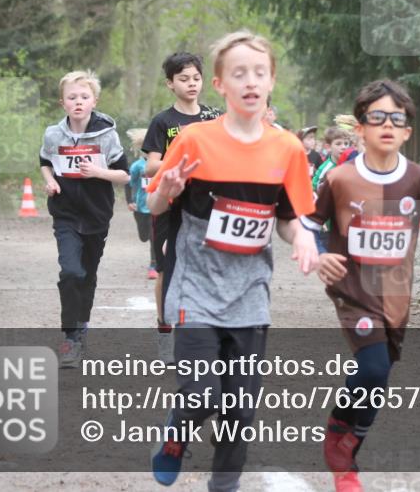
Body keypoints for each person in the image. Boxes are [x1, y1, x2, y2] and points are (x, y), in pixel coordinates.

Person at [147, 30, 319, 492]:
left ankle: (224, 486)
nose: (250, 81)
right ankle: (177, 435)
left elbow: (289, 217)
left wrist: (302, 237)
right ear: (220, 84)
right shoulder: (194, 140)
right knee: (201, 393)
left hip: (250, 295)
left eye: (259, 72)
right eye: (238, 73)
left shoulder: (287, 149)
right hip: (197, 289)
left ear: (271, 81)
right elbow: (157, 206)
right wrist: (170, 188)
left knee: (240, 410)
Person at [301, 79, 420, 492]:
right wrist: (320, 255)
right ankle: (342, 452)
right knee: (371, 367)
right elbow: (309, 223)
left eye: (397, 119)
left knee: (380, 375)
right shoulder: (339, 179)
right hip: (352, 290)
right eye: (377, 118)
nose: (387, 125)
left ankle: (350, 439)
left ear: (407, 131)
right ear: (360, 128)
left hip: (395, 295)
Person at [39, 70, 130, 368]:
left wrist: (98, 172)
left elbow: (124, 174)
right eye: (72, 97)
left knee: (87, 276)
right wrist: (49, 181)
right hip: (65, 213)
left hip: (96, 215)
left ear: (94, 101)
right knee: (70, 272)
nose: (78, 102)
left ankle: (81, 327)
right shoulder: (53, 134)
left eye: (84, 97)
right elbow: (45, 162)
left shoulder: (107, 135)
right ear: (62, 103)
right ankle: (70, 338)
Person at [143, 52, 222, 360]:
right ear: (170, 84)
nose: (191, 84)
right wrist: (180, 163)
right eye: (184, 79)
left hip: (206, 205)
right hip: (169, 202)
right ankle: (164, 330)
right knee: (166, 269)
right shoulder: (163, 122)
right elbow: (150, 167)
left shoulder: (213, 117)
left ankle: (206, 332)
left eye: (196, 78)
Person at [124, 128, 156, 279]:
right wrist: (129, 201)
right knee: (144, 236)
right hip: (140, 207)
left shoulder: (161, 164)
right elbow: (127, 183)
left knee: (153, 236)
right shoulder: (137, 166)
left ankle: (153, 265)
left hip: (156, 206)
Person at [313, 125, 352, 191]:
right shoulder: (326, 169)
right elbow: (317, 189)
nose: (343, 147)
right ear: (328, 147)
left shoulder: (352, 164)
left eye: (346, 143)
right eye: (338, 144)